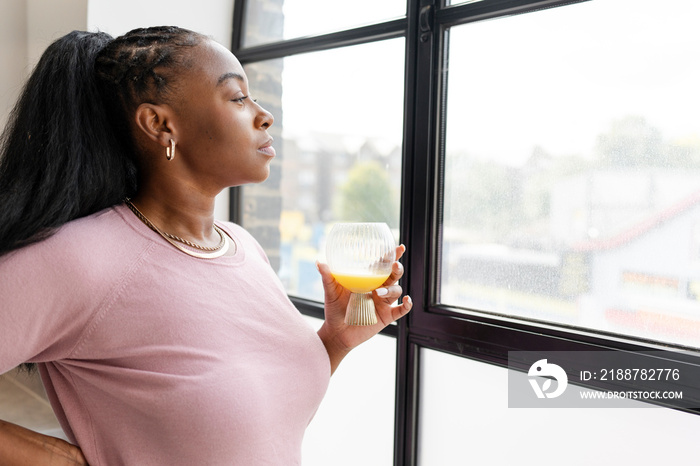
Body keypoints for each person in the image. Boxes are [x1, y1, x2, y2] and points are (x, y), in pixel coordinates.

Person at [0, 26, 412, 465]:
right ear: (159, 124)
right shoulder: (80, 259)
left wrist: (336, 340)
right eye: (237, 97)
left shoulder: (242, 248)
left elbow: (251, 427)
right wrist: (56, 460)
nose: (263, 114)